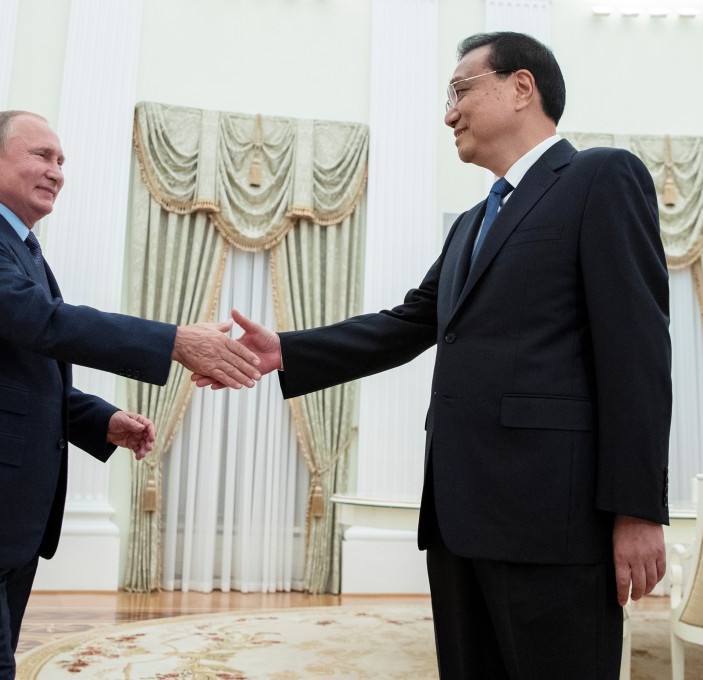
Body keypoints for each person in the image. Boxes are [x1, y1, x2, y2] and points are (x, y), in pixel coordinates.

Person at [201, 32, 672, 680]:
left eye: (460, 91)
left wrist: (639, 507)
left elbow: (637, 351)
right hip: (458, 517)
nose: (448, 112)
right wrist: (286, 350)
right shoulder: (472, 222)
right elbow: (408, 323)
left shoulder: (601, 177)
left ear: (521, 87)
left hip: (550, 522)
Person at [0, 110, 260, 679]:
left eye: (61, 161)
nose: (56, 171)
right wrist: (174, 341)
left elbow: (21, 370)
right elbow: (44, 323)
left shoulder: (22, 249)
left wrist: (102, 421)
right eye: (41, 156)